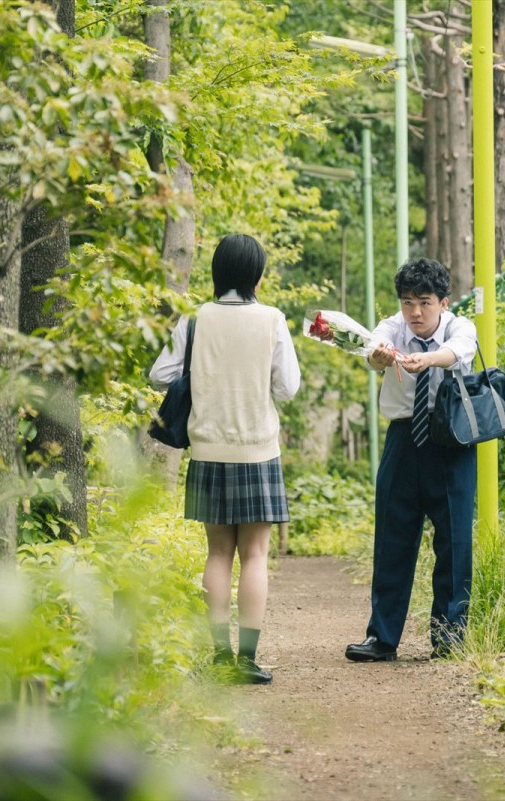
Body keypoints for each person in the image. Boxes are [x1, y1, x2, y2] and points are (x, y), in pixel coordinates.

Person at [149, 234, 300, 685]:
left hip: (209, 450)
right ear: (256, 275)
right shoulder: (272, 319)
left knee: (217, 553)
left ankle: (218, 658)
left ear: (217, 272)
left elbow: (160, 374)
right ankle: (248, 661)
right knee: (254, 555)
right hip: (257, 449)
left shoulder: (193, 320)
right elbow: (287, 388)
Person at [345, 257, 478, 662]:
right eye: (408, 303)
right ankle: (382, 638)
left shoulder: (459, 326)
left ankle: (450, 637)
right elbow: (372, 346)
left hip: (451, 440)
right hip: (404, 439)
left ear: (443, 302)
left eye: (424, 303)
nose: (415, 312)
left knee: (454, 540)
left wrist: (429, 358)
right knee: (392, 538)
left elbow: (461, 351)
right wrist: (379, 357)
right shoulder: (394, 327)